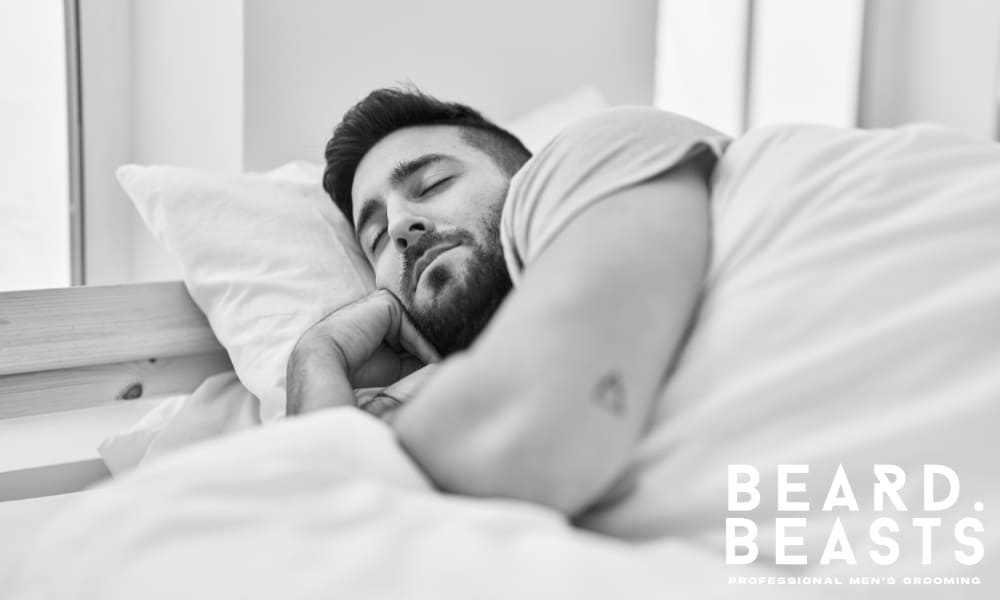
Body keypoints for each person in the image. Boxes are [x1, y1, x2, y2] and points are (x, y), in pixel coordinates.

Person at [287, 86, 728, 529]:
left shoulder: (592, 150)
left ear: (524, 174)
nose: (401, 225)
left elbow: (530, 446)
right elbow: (331, 526)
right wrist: (317, 357)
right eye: (377, 237)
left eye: (433, 183)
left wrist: (388, 417)